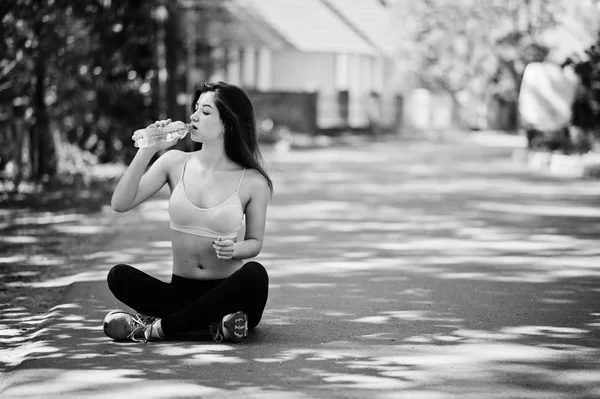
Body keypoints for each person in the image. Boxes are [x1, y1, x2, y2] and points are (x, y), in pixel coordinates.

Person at [103, 81, 273, 343]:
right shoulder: (174, 162)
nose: (193, 116)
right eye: (195, 109)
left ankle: (155, 329)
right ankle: (217, 325)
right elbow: (120, 203)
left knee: (255, 275)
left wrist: (236, 250)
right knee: (119, 276)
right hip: (180, 292)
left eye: (205, 112)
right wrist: (147, 149)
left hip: (228, 291)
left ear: (227, 123)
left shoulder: (253, 181)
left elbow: (255, 242)